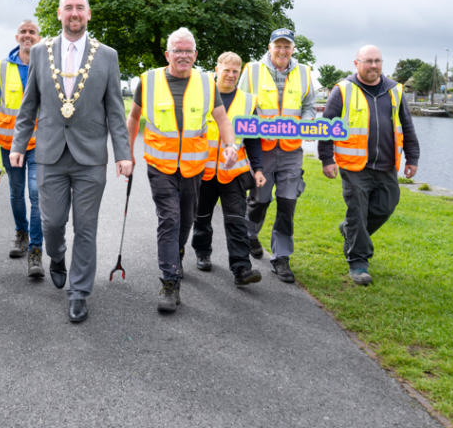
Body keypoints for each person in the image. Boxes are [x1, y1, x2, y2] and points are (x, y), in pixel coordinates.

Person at [9, 0, 132, 323]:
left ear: (88, 14)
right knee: (51, 223)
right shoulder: (40, 51)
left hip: (90, 157)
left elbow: (115, 109)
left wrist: (123, 153)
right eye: (68, 8)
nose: (74, 13)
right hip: (50, 154)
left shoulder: (107, 56)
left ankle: (79, 292)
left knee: (86, 227)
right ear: (59, 14)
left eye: (80, 8)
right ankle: (57, 256)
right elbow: (29, 105)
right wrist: (18, 145)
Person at [126, 28, 237, 314]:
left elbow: (222, 119)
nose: (183, 55)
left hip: (193, 166)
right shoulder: (148, 81)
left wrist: (230, 145)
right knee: (169, 219)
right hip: (160, 166)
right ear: (168, 54)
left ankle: (176, 252)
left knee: (186, 220)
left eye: (188, 50)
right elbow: (134, 117)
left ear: (195, 55)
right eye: (178, 50)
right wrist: (127, 153)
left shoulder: (206, 83)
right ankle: (169, 282)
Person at [318, 45, 419, 285]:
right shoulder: (343, 90)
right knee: (358, 211)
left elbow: (406, 125)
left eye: (377, 61)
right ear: (357, 63)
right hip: (354, 166)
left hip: (386, 165)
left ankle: (349, 230)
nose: (373, 65)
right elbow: (327, 127)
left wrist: (412, 157)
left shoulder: (395, 90)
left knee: (386, 206)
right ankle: (358, 262)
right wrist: (326, 159)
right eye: (368, 61)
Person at [239, 29, 316, 283]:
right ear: (270, 47)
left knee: (287, 203)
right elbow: (241, 105)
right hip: (261, 149)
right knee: (259, 200)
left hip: (292, 150)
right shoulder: (252, 71)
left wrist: (307, 121)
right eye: (278, 45)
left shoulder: (304, 72)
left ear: (293, 49)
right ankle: (250, 234)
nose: (283, 50)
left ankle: (281, 258)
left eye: (287, 46)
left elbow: (309, 107)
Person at [191, 52, 267, 285]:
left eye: (236, 71)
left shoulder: (248, 101)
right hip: (203, 171)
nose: (231, 75)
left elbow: (253, 139)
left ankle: (241, 268)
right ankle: (203, 252)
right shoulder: (200, 96)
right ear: (217, 70)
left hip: (233, 173)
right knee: (201, 217)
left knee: (236, 220)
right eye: (227, 70)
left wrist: (258, 169)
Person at [0, 20, 44, 277]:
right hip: (9, 144)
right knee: (16, 192)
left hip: (40, 142)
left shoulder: (46, 64)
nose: (27, 35)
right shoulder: (3, 67)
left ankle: (36, 249)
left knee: (36, 193)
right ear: (17, 37)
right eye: (24, 32)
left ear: (39, 38)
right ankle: (21, 232)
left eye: (32, 32)